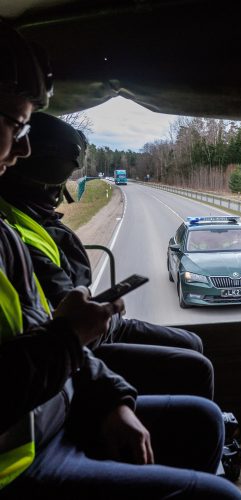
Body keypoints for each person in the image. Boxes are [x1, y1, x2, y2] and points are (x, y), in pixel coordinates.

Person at [0, 20, 241, 499]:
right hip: (20, 464)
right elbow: (50, 339)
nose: (23, 147)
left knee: (203, 418)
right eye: (15, 122)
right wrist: (71, 335)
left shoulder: (5, 236)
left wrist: (111, 399)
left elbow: (38, 332)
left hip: (54, 411)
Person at [0, 111, 214, 399]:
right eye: (58, 183)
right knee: (195, 367)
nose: (59, 193)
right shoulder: (18, 233)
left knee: (192, 342)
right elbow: (62, 310)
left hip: (93, 330)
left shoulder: (33, 219)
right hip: (85, 341)